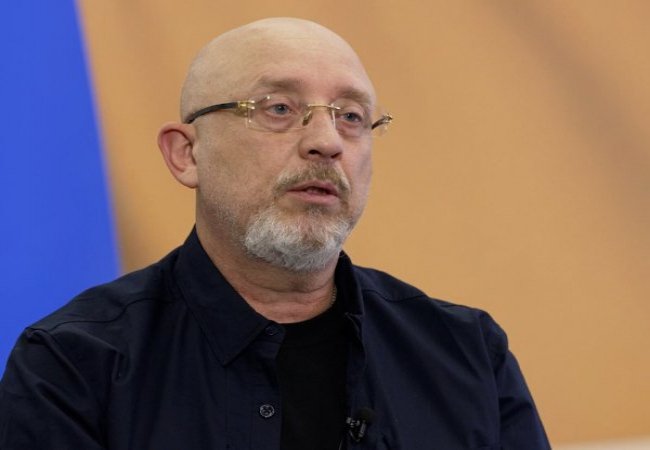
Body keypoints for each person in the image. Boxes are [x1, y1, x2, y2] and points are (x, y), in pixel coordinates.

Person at [0, 17, 550, 449]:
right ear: (187, 153)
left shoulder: (466, 353)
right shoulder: (73, 366)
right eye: (279, 108)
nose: (326, 142)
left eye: (351, 116)